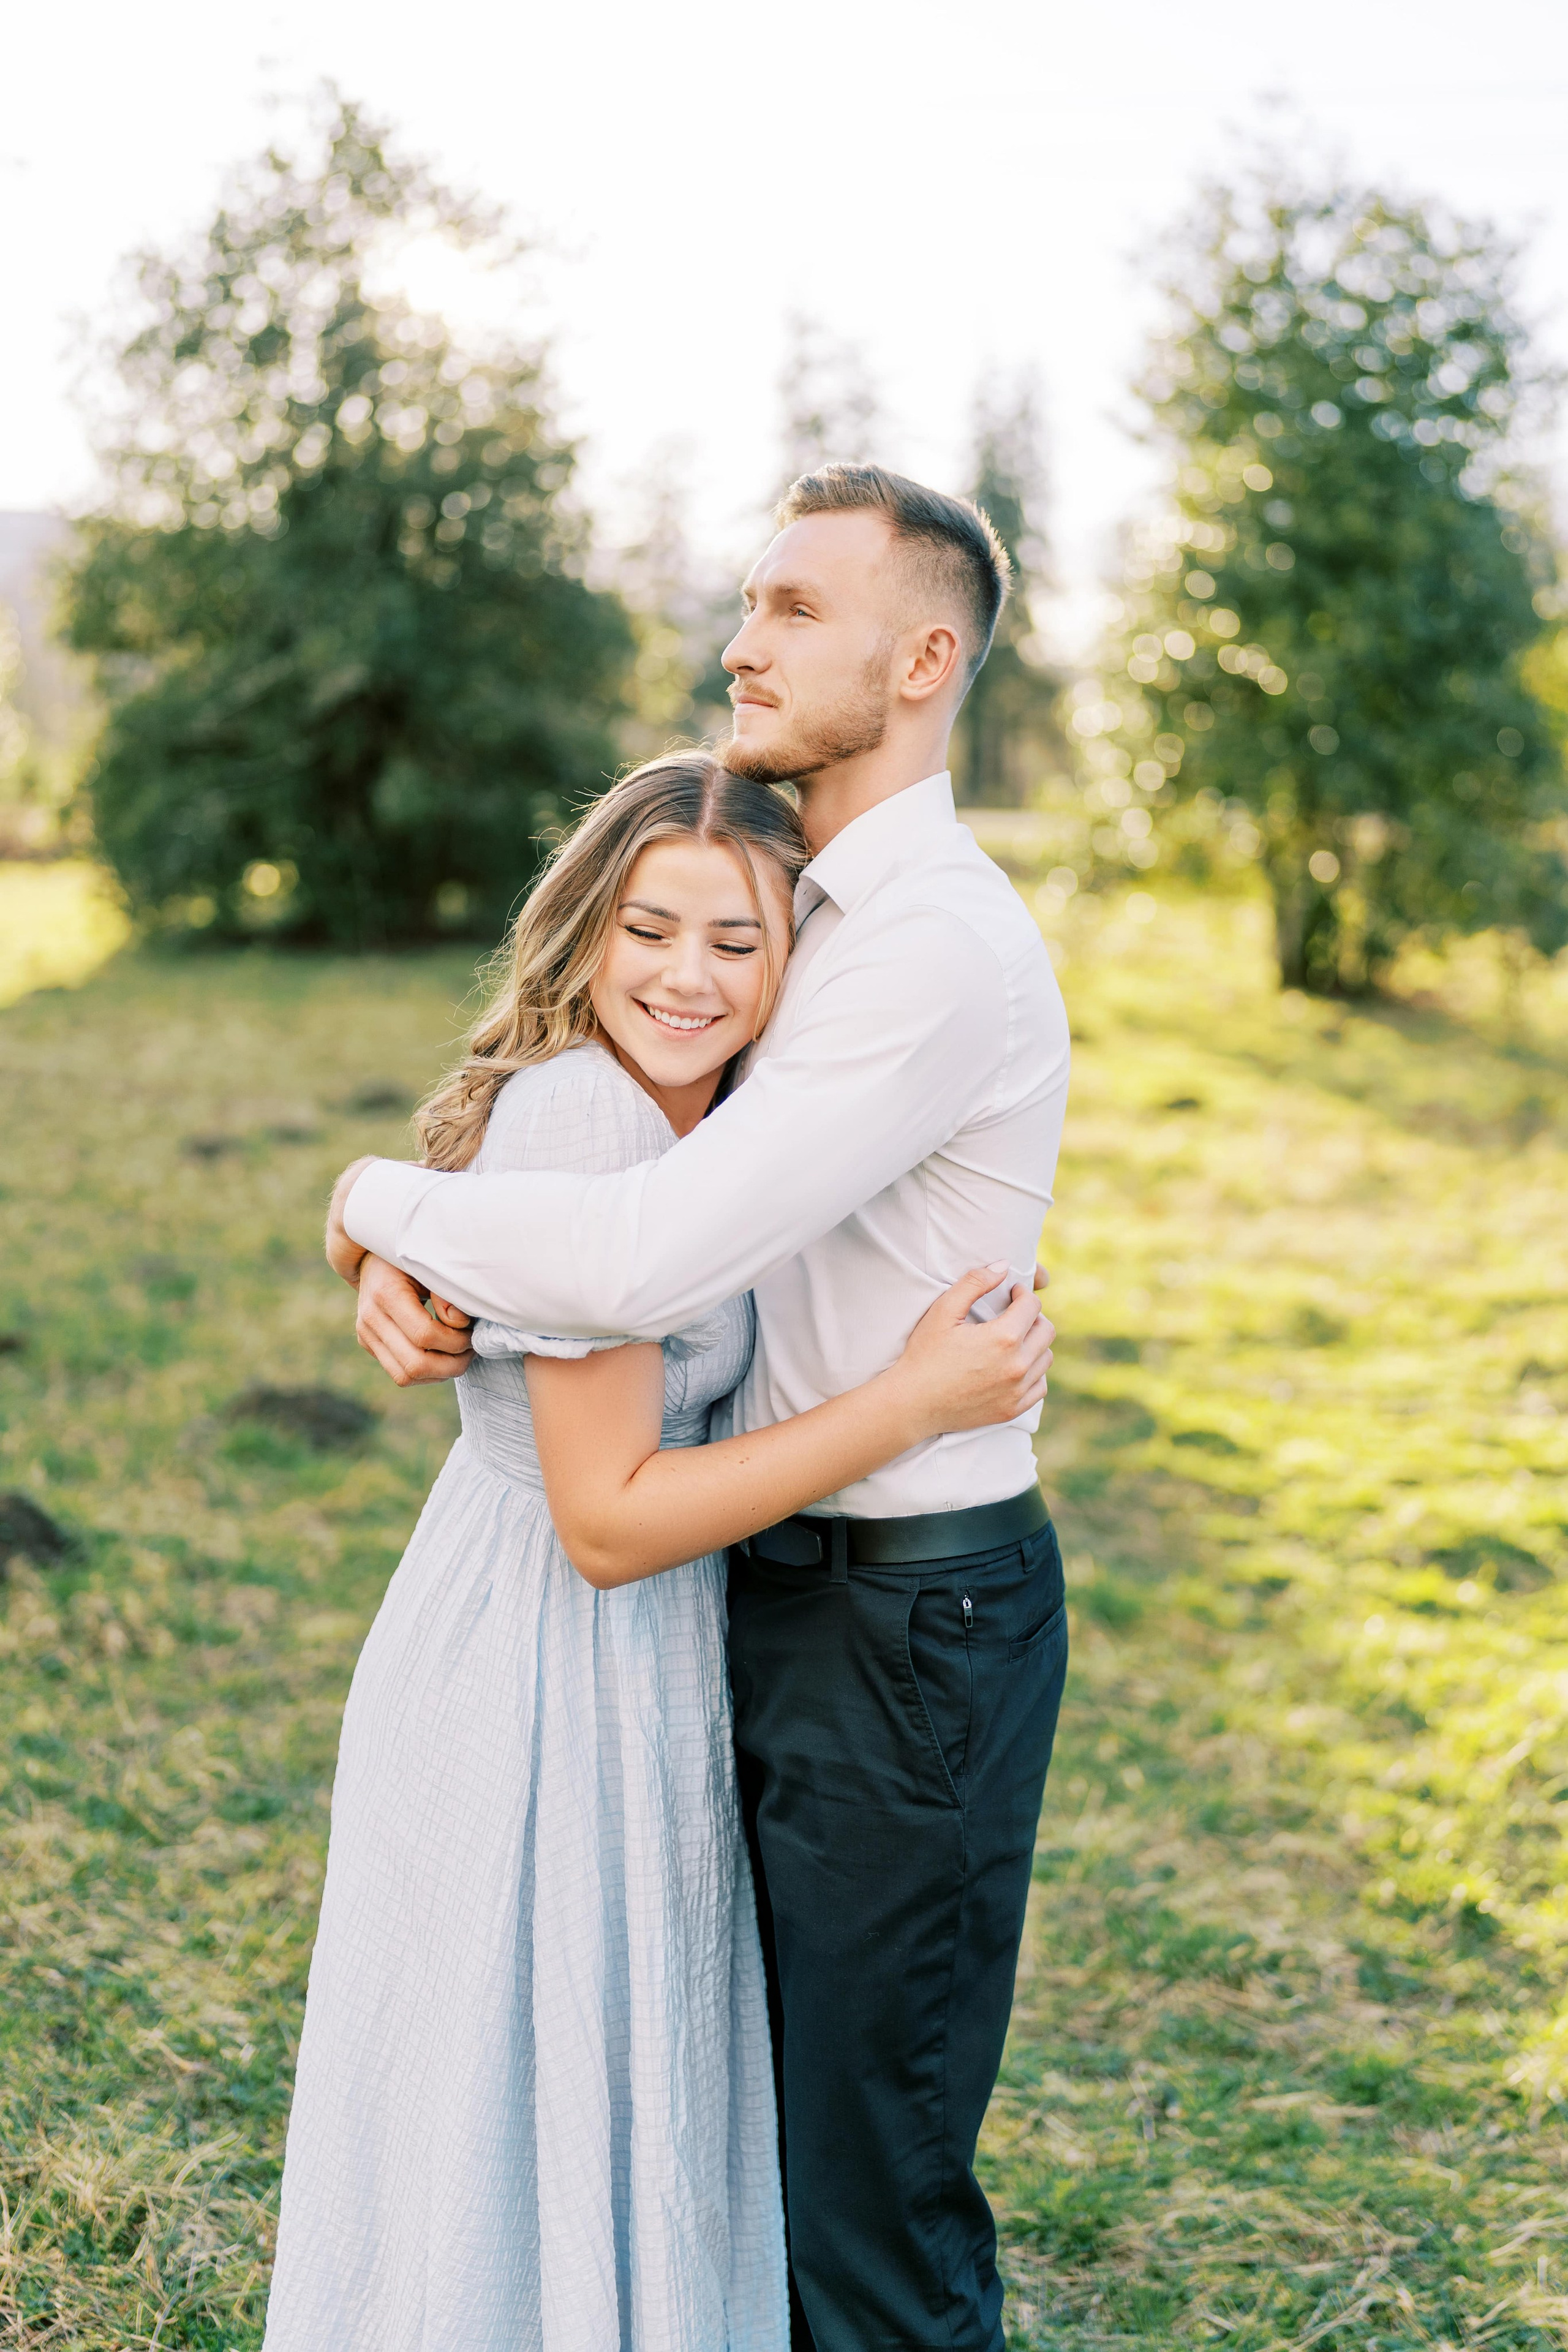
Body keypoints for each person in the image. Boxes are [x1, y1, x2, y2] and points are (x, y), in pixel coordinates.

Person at [329, 465, 1073, 2352]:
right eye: (747, 604)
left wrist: (380, 1203)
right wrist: (396, 1230)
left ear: (923, 660)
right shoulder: (799, 916)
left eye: (795, 611)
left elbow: (647, 1258)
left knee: (861, 2196)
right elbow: (612, 1210)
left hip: (899, 1605)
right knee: (746, 2147)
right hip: (750, 1591)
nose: (741, 643)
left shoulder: (914, 944)